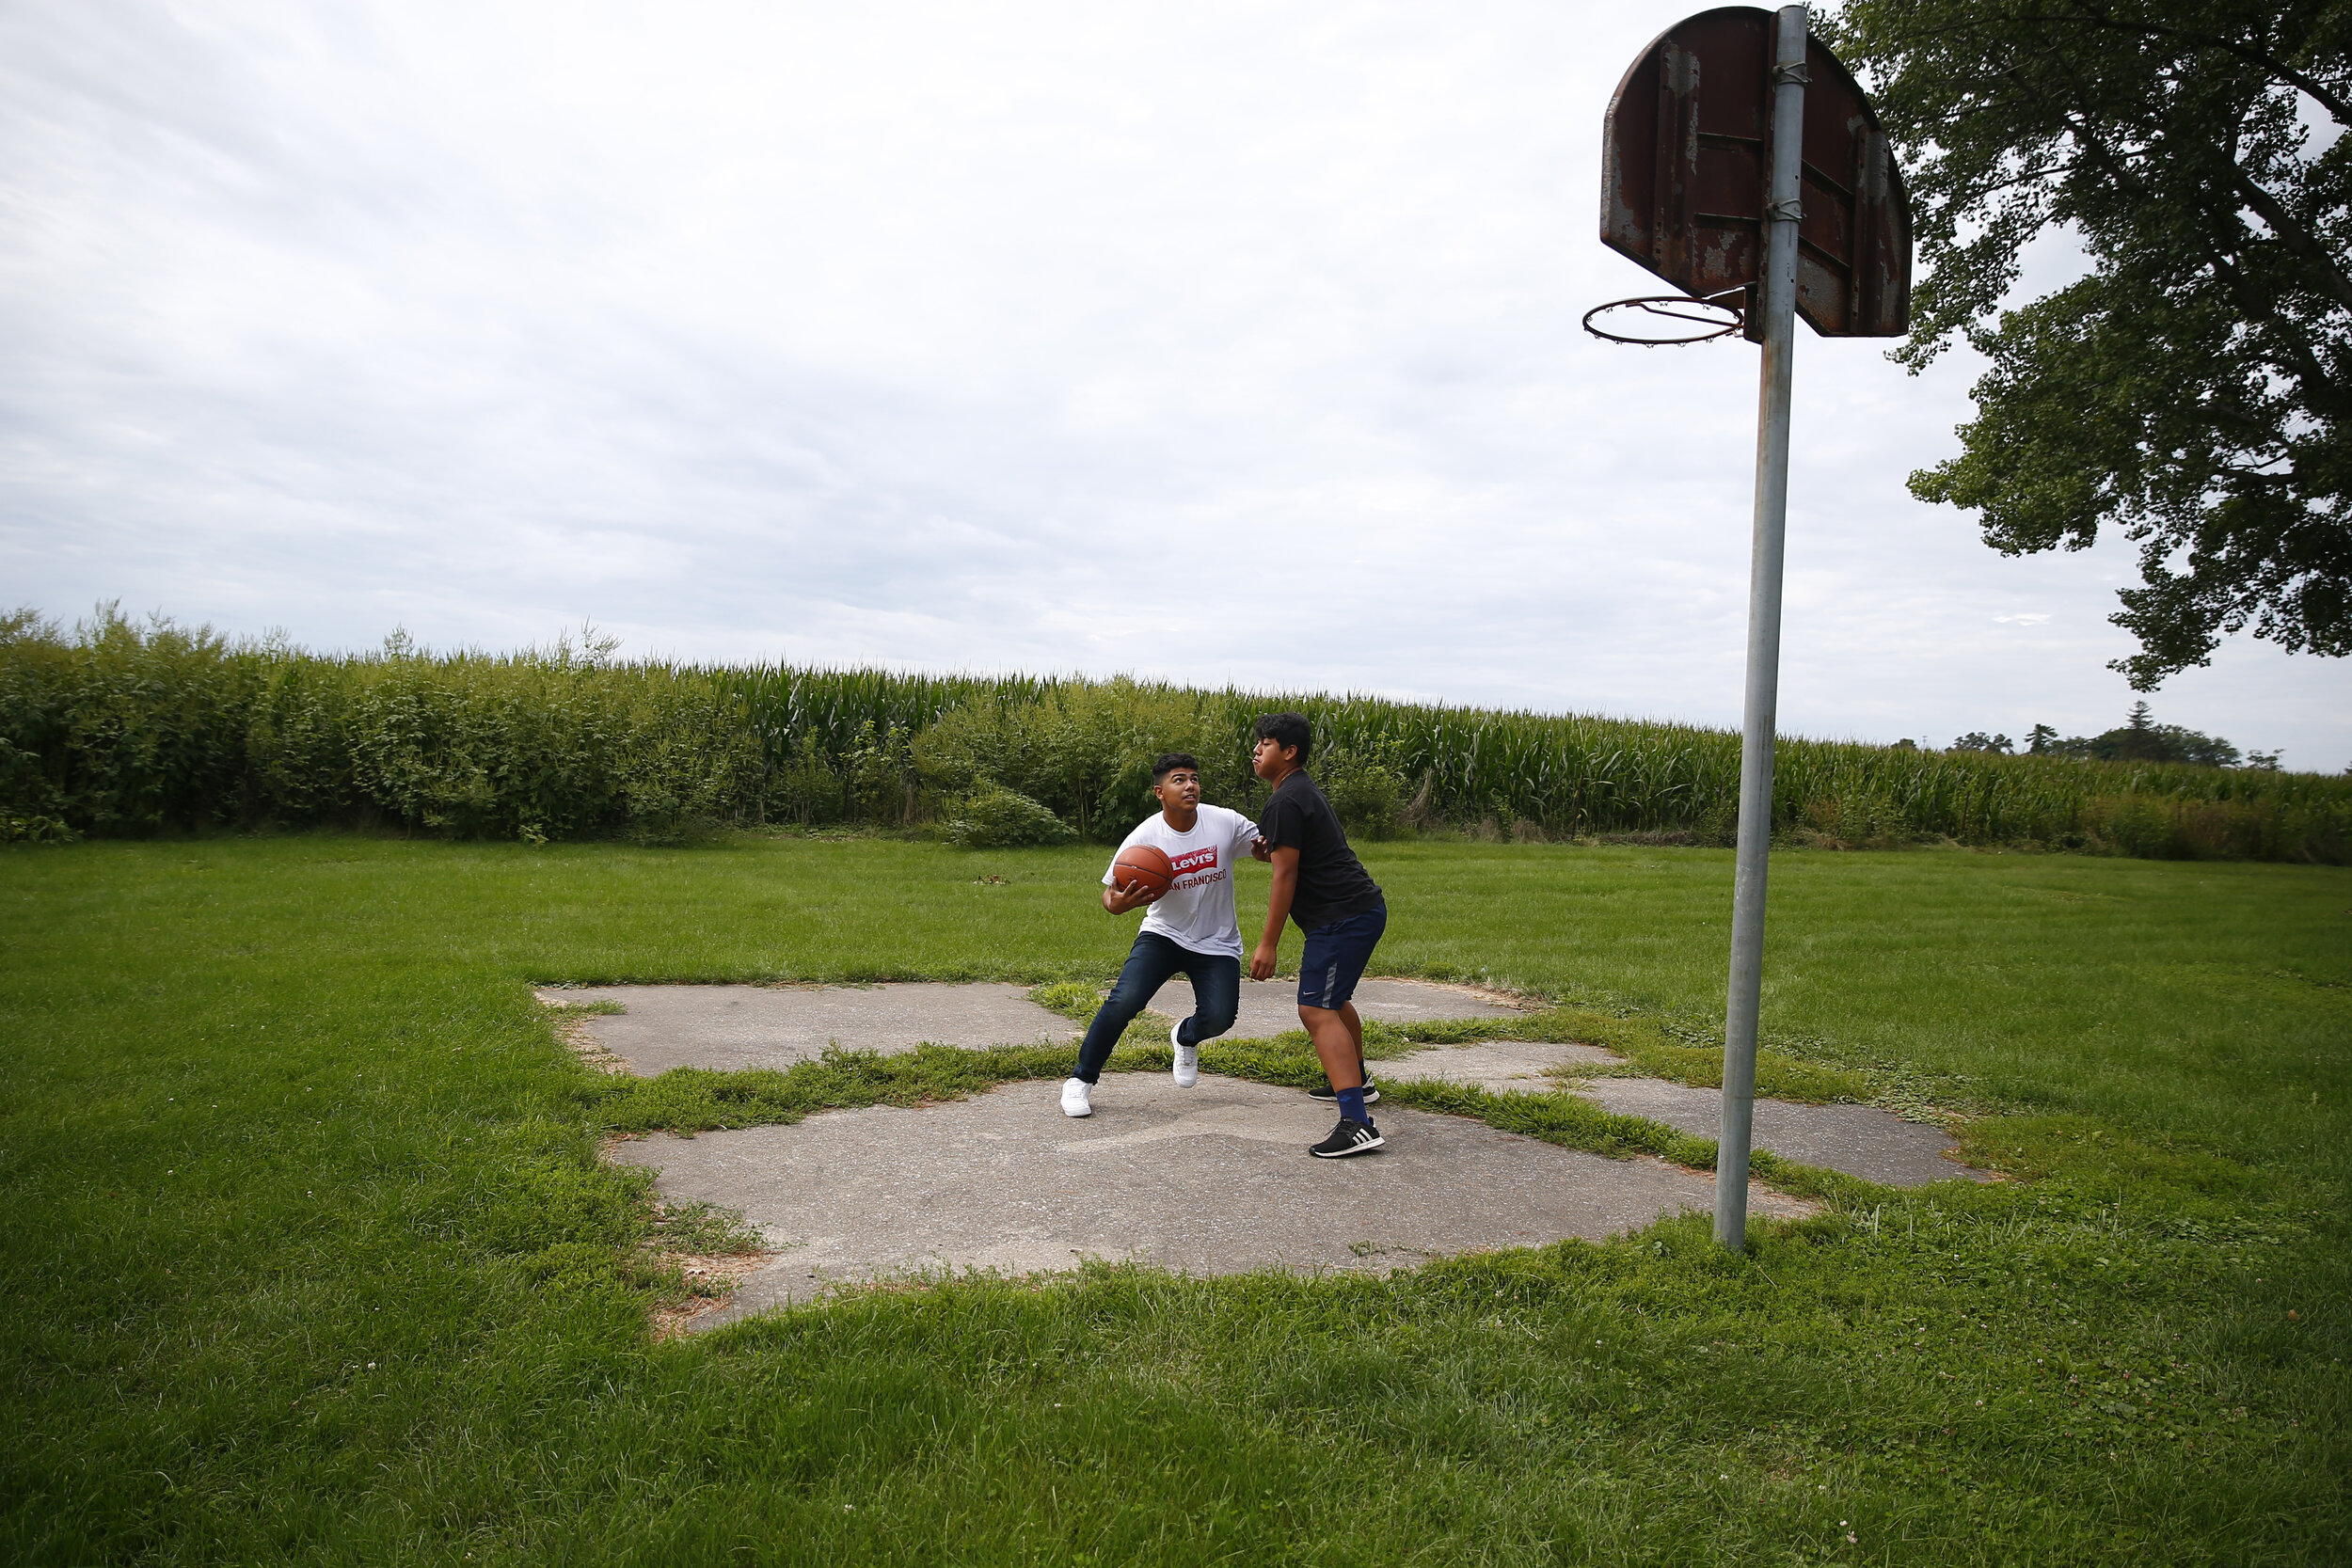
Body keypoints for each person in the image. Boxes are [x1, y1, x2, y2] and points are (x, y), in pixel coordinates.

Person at [1060, 752, 1268, 1118]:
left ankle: (1185, 1036)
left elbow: (1263, 851)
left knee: (1220, 1018)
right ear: (1160, 792)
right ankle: (1080, 1080)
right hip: (1163, 934)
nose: (1190, 785)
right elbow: (1110, 896)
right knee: (1123, 1002)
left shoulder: (1225, 822)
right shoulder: (1145, 837)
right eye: (1179, 779)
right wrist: (1121, 904)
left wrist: (1268, 851)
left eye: (1194, 778)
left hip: (1216, 941)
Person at [1248, 712, 1389, 1157]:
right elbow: (1295, 857)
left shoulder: (1286, 799)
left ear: (1288, 752)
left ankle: (1357, 1124)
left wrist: (1268, 943)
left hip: (1341, 917)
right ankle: (1356, 1081)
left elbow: (1285, 876)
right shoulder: (1297, 790)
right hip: (1357, 910)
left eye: (1266, 743)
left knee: (1315, 1009)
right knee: (1332, 1000)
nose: (1256, 750)